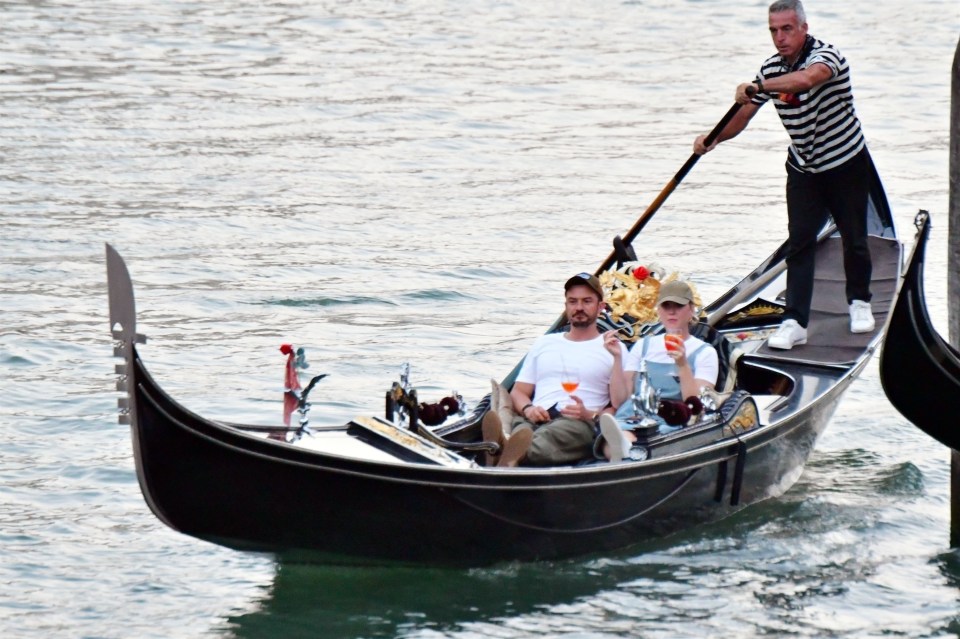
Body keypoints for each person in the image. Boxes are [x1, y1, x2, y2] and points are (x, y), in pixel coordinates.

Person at [693, 0, 877, 350]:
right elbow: (742, 116)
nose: (780, 38)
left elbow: (808, 79)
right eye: (774, 31)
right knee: (800, 242)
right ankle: (795, 321)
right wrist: (712, 139)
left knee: (854, 237)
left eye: (787, 29)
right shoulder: (770, 69)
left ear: (803, 28)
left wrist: (759, 86)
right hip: (804, 168)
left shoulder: (827, 56)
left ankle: (859, 302)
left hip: (846, 162)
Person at [481, 272, 629, 467]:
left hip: (577, 424)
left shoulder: (613, 348)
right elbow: (519, 392)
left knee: (545, 439)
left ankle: (502, 452)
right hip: (533, 420)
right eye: (573, 302)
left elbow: (620, 403)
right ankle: (509, 453)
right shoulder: (544, 343)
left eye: (587, 301)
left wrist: (589, 414)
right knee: (523, 430)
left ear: (600, 307)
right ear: (566, 306)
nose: (579, 308)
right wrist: (529, 408)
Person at [599, 280, 719, 462]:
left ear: (691, 309)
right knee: (615, 441)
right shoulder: (643, 346)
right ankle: (626, 449)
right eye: (666, 305)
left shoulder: (705, 352)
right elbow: (620, 400)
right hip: (634, 416)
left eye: (678, 306)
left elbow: (696, 406)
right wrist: (617, 359)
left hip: (672, 419)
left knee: (646, 442)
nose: (671, 311)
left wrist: (682, 364)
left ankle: (630, 452)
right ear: (659, 310)